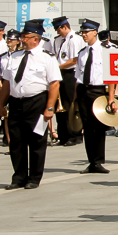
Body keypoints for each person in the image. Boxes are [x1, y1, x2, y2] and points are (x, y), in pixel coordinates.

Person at [0, 19, 60, 190]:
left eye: (25, 37)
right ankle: (18, 177)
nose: (22, 39)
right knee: (16, 141)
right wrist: (1, 103)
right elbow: (7, 82)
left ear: (36, 38)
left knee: (36, 141)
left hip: (37, 102)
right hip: (16, 102)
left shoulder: (46, 58)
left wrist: (49, 107)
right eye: (22, 36)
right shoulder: (14, 56)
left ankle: (34, 177)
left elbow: (54, 83)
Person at [75, 19, 118, 174]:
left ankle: (99, 160)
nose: (84, 35)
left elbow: (111, 76)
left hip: (98, 91)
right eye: (82, 32)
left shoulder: (105, 50)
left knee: (98, 127)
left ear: (95, 32)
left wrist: (111, 98)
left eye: (87, 32)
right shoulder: (82, 53)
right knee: (87, 127)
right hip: (83, 90)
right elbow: (78, 75)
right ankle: (91, 161)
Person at [52, 16, 84, 147]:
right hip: (60, 72)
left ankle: (74, 134)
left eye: (59, 29)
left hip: (70, 73)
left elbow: (74, 60)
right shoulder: (59, 40)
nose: (57, 32)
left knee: (69, 104)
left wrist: (57, 67)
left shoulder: (74, 39)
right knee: (60, 106)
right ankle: (63, 135)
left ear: (65, 27)